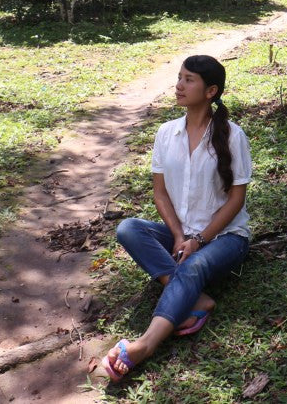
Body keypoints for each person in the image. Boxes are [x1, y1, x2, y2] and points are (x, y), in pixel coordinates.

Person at [101, 54, 252, 382]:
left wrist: (199, 240)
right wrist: (180, 236)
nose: (179, 85)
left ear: (210, 91)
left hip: (226, 238)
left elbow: (236, 199)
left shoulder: (232, 135)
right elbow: (160, 193)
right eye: (179, 77)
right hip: (182, 233)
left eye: (189, 80)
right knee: (129, 228)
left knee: (193, 265)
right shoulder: (166, 133)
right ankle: (198, 299)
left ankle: (144, 344)